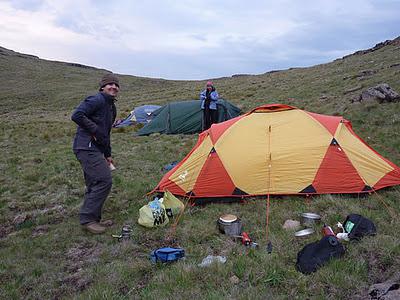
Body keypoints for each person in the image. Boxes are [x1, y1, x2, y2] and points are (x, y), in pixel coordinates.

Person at [71, 73, 120, 234]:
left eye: (116, 85)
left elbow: (105, 133)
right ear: (103, 87)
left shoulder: (111, 107)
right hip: (85, 146)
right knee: (104, 180)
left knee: (94, 182)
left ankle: (95, 219)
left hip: (96, 148)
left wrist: (107, 154)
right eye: (110, 84)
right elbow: (77, 115)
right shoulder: (96, 100)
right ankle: (87, 219)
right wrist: (94, 129)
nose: (113, 87)